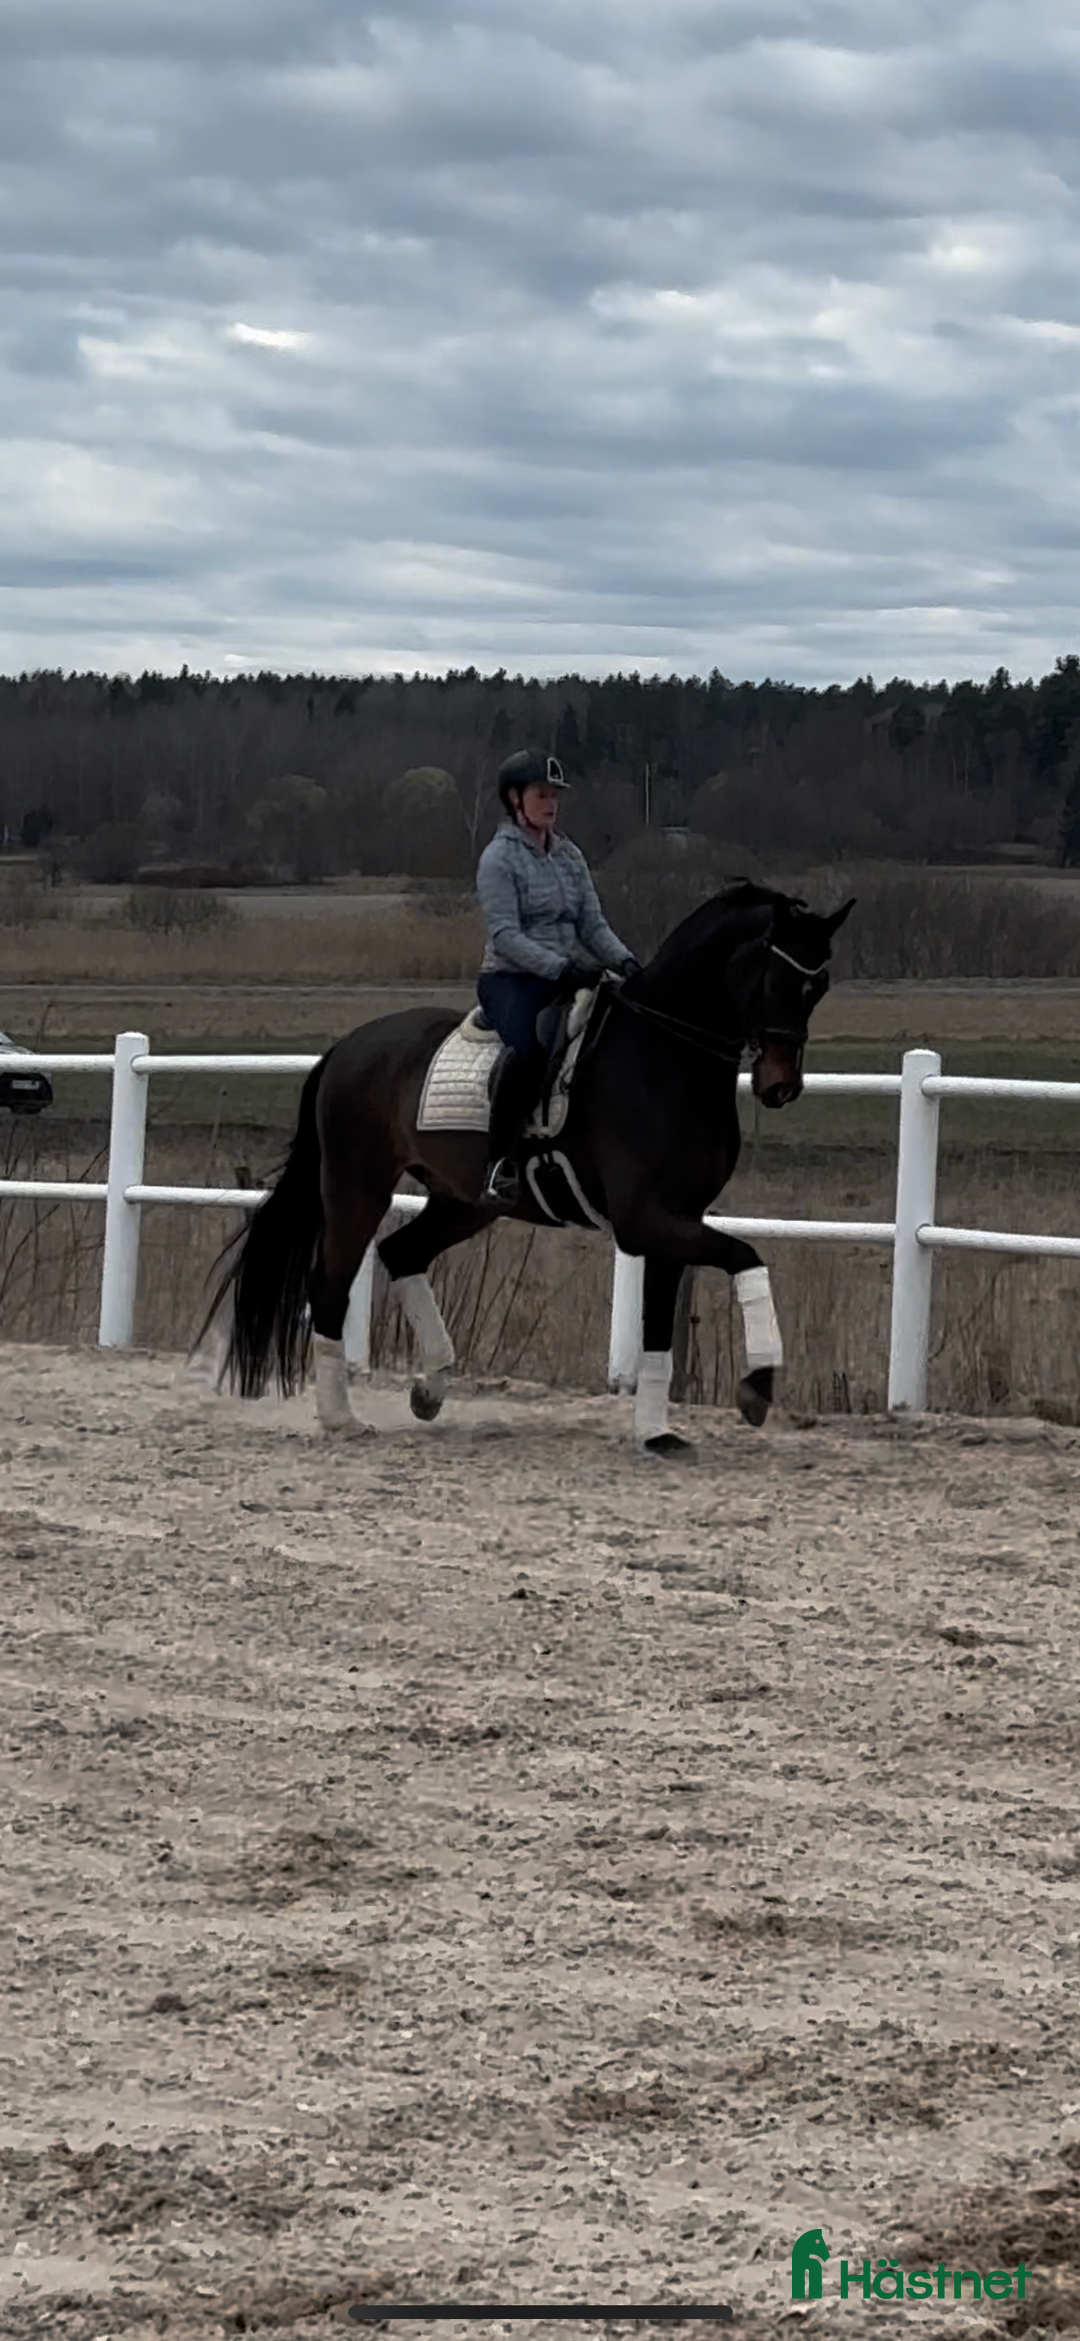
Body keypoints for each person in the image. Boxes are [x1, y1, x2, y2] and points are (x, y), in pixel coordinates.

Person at [475, 748, 641, 1206]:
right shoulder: (498, 859)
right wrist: (561, 969)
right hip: (512, 981)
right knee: (528, 1050)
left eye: (555, 796)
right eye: (540, 794)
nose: (550, 803)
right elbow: (505, 936)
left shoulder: (569, 856)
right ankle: (498, 1164)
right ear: (514, 800)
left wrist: (628, 964)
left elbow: (592, 924)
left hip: (570, 976)